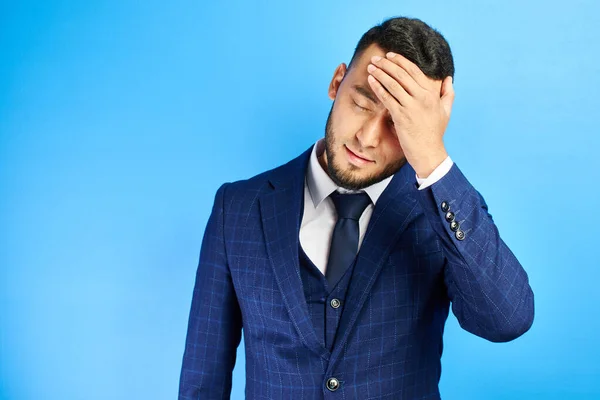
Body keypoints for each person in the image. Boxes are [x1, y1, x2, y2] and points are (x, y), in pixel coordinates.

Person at [178, 16, 534, 399]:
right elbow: (203, 380)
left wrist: (431, 156)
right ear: (337, 82)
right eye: (363, 103)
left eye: (399, 124)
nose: (367, 138)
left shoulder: (443, 211)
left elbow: (506, 320)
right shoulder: (238, 208)